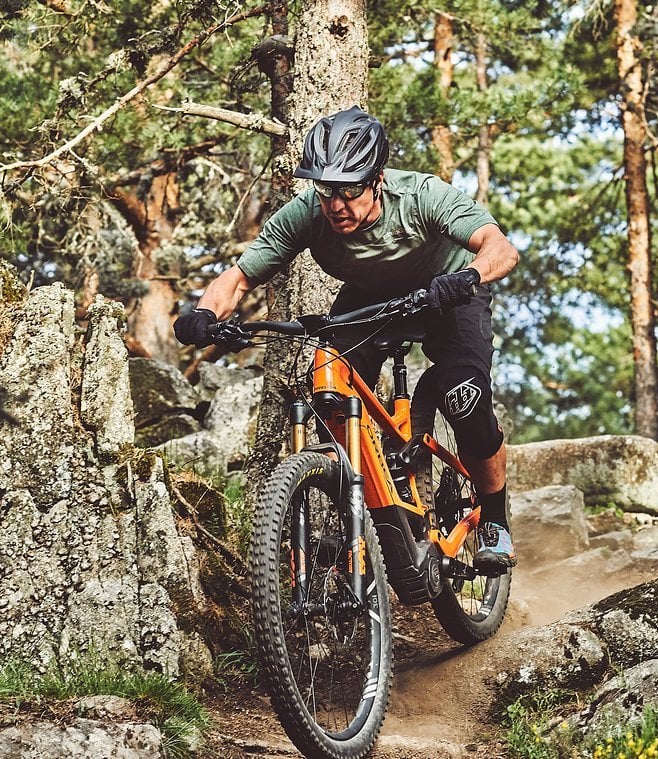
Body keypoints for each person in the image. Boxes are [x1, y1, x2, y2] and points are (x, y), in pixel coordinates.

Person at [174, 105, 519, 573]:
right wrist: (204, 314)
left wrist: (469, 276)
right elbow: (237, 278)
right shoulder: (306, 215)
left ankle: (495, 520)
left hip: (450, 292)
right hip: (370, 300)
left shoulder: (421, 196)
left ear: (376, 179)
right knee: (327, 386)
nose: (336, 205)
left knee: (465, 397)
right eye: (326, 191)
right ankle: (371, 516)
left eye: (349, 190)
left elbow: (501, 248)